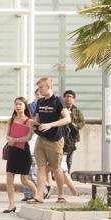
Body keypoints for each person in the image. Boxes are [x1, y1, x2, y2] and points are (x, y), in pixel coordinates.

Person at [30, 76, 71, 204]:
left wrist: (50, 125)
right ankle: (39, 195)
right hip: (41, 139)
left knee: (56, 167)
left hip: (55, 139)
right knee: (40, 167)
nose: (39, 90)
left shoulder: (58, 101)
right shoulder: (40, 102)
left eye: (41, 87)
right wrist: (31, 124)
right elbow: (37, 119)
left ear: (48, 87)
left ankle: (61, 195)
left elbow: (67, 119)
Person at [3, 97, 39, 213]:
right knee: (9, 178)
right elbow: (7, 135)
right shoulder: (11, 120)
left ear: (24, 106)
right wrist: (10, 139)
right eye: (16, 104)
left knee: (24, 180)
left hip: (23, 151)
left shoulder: (29, 121)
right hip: (13, 151)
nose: (18, 106)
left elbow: (28, 137)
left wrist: (16, 139)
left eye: (20, 104)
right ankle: (11, 205)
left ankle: (37, 194)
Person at [55, 90, 83, 198]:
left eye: (71, 97)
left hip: (71, 139)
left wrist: (72, 124)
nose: (68, 99)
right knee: (61, 163)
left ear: (74, 99)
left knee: (68, 160)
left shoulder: (77, 111)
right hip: (60, 137)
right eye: (66, 96)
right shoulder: (60, 109)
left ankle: (67, 179)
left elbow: (82, 122)